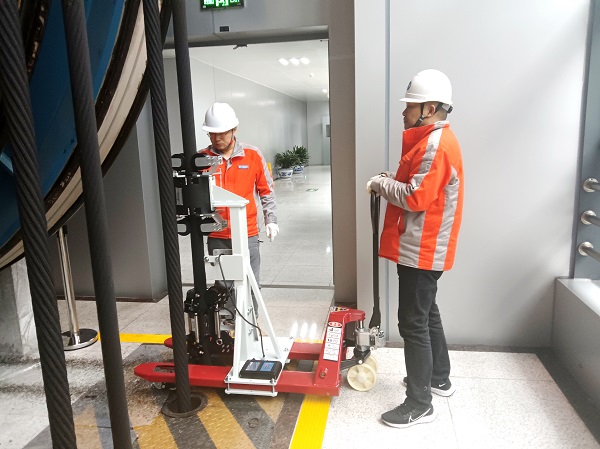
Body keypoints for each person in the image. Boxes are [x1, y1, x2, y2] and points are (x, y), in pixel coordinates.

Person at [366, 69, 464, 428]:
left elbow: (415, 196)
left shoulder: (435, 145)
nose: (404, 112)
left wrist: (381, 185)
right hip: (422, 245)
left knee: (413, 323)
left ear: (430, 108)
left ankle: (420, 404)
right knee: (427, 313)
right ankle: (439, 378)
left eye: (410, 106)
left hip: (422, 249)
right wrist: (389, 180)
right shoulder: (429, 141)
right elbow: (416, 185)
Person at [198, 102, 279, 310]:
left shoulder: (252, 155)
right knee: (223, 286)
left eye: (222, 133)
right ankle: (228, 324)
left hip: (247, 233)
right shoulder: (201, 159)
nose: (217, 138)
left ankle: (251, 323)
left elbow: (266, 191)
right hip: (216, 233)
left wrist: (271, 220)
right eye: (212, 133)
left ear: (234, 129)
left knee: (250, 283)